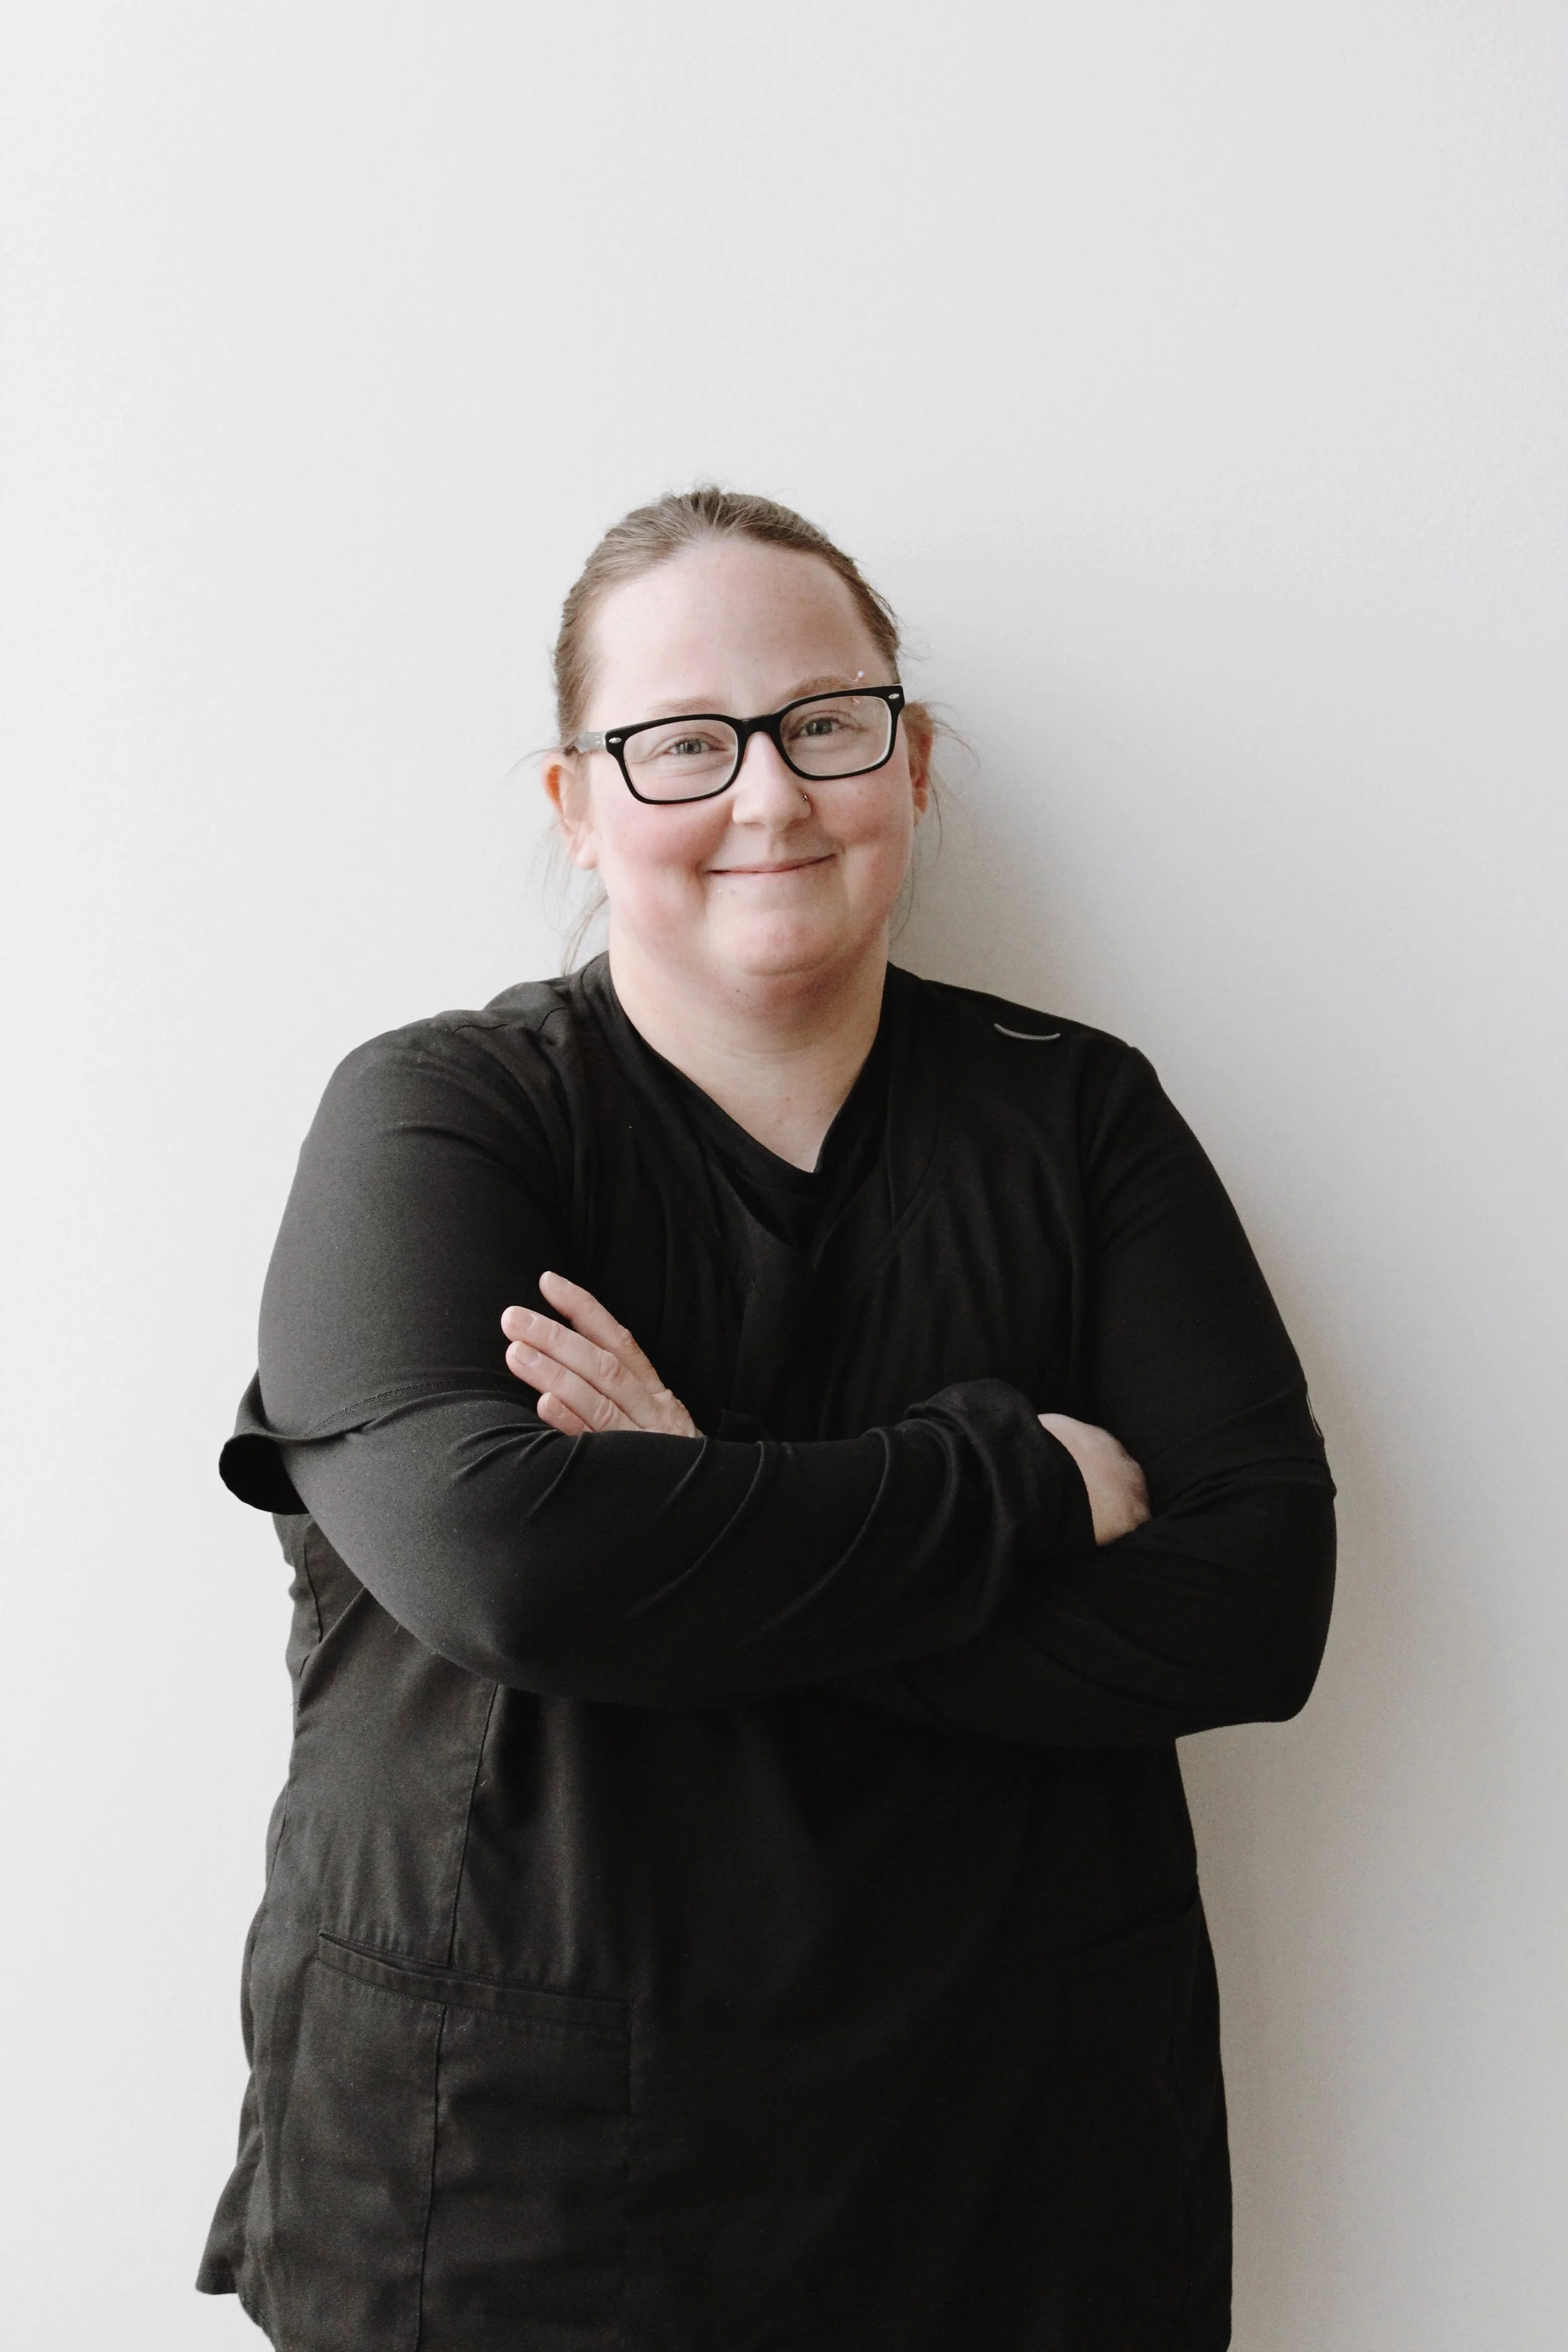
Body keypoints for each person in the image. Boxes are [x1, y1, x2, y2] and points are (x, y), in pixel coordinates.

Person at [199, 487, 1335, 2352]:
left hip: (1009, 2166)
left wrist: (691, 1515)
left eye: (827, 722)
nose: (769, 795)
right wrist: (1019, 1478)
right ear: (574, 799)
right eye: (678, 743)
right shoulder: (435, 1122)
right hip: (516, 2193)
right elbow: (515, 1569)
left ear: (912, 760)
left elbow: (1258, 1601)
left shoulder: (1078, 1120)